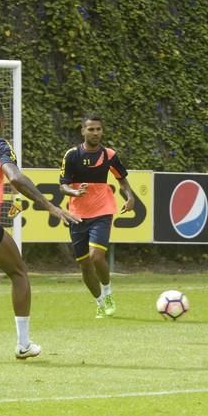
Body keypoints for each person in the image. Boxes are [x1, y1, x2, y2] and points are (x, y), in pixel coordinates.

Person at [0, 100, 80, 359]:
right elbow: (15, 178)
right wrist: (50, 206)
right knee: (18, 272)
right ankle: (23, 345)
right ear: (1, 123)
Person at [59, 114, 135, 318]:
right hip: (77, 215)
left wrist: (130, 197)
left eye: (98, 129)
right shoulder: (72, 155)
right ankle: (100, 302)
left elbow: (122, 180)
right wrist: (74, 192)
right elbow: (63, 185)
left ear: (102, 131)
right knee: (84, 264)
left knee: (96, 256)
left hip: (102, 211)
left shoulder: (109, 155)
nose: (95, 133)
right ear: (83, 131)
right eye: (90, 129)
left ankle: (108, 292)